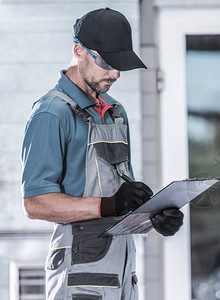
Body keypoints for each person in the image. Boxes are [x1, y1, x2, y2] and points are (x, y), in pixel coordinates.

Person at [21, 8, 183, 300]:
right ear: (78, 50)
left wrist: (153, 218)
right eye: (107, 62)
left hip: (122, 271)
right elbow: (35, 203)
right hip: (79, 274)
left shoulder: (115, 113)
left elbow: (119, 203)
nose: (116, 73)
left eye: (120, 64)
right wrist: (109, 205)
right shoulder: (51, 113)